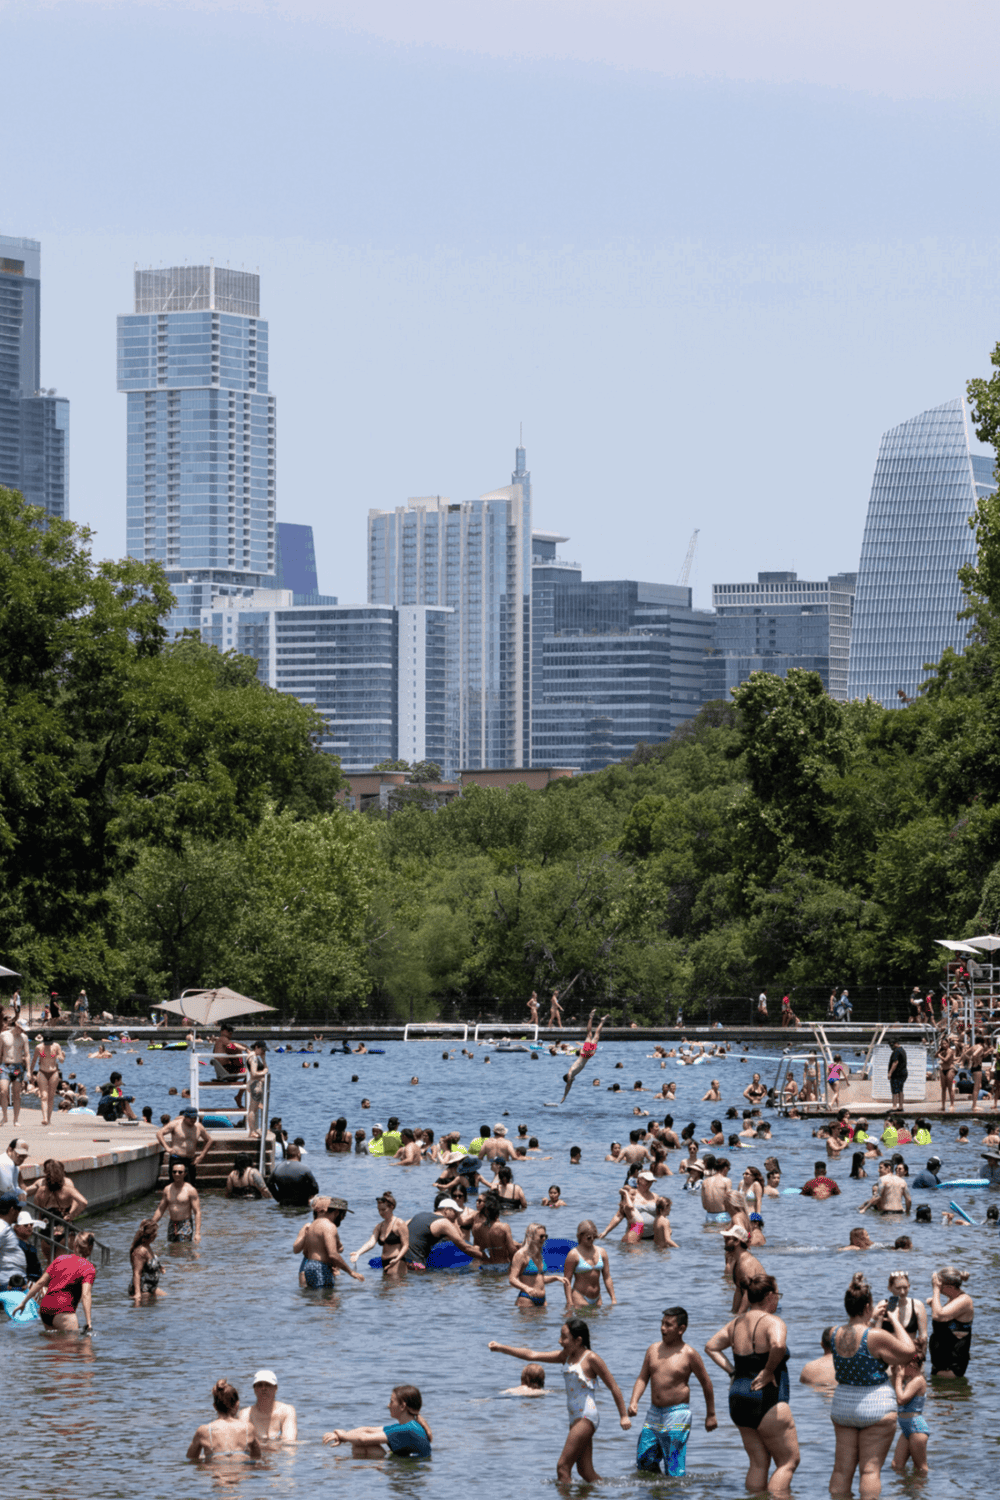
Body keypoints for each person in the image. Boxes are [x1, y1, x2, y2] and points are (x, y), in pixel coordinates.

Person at [488, 1319, 631, 1483]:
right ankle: (609, 1493)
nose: (559, 1341)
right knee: (585, 1471)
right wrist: (501, 1348)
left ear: (578, 1341)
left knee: (562, 1467)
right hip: (574, 1418)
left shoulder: (591, 1358)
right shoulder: (565, 1357)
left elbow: (614, 1386)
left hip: (586, 1416)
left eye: (564, 1337)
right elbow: (532, 1354)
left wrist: (623, 1416)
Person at [705, 1273, 800, 1496]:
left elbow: (711, 1346)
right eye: (777, 1295)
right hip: (767, 1398)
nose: (778, 1300)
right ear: (769, 1296)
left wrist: (732, 1372)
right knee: (789, 1461)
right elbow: (777, 1345)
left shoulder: (736, 1322)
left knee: (758, 1463)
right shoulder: (774, 1322)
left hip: (738, 1396)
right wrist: (768, 1371)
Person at [828, 1272, 915, 1500]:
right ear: (868, 1306)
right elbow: (908, 1352)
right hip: (875, 1406)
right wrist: (894, 1318)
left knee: (841, 1469)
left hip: (843, 1405)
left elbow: (860, 1341)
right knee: (870, 1470)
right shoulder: (874, 1335)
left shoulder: (833, 1333)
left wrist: (871, 1318)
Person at [630, 1306, 717, 1476]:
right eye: (662, 1323)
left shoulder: (689, 1354)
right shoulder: (653, 1350)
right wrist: (634, 1401)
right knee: (644, 1460)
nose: (663, 1328)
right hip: (654, 1413)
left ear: (681, 1329)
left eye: (668, 1325)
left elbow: (706, 1383)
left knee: (674, 1466)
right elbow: (642, 1378)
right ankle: (658, 1491)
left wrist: (711, 1414)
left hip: (677, 1413)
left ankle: (675, 1492)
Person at [13, 1231, 98, 1332]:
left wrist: (23, 1302)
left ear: (74, 1245)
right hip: (63, 1311)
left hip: (45, 1310)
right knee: (77, 1345)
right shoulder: (88, 1268)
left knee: (53, 1344)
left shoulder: (60, 1259)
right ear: (91, 1247)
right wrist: (89, 1323)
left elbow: (40, 1282)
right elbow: (86, 1295)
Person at [324, 1384, 432, 1458]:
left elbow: (363, 1439)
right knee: (362, 1446)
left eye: (391, 1401)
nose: (388, 1405)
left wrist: (342, 1436)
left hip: (411, 1471)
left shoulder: (407, 1429)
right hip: (406, 1465)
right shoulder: (407, 1426)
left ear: (402, 1406)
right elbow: (366, 1430)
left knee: (363, 1445)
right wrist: (344, 1436)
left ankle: (351, 1470)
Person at [294, 1196, 364, 1286]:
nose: (343, 1218)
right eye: (344, 1215)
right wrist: (351, 1272)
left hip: (309, 1266)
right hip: (320, 1267)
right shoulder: (329, 1226)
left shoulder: (312, 1225)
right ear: (337, 1212)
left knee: (315, 1297)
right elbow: (333, 1254)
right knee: (326, 1299)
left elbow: (306, 1253)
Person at [187, 1379, 262, 1462]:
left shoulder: (203, 1430)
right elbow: (257, 1457)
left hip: (216, 1472)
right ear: (237, 1405)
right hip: (241, 1472)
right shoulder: (248, 1428)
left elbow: (191, 1458)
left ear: (214, 1406)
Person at [403, 1199, 484, 1269]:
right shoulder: (444, 1222)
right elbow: (465, 1247)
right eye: (455, 1212)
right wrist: (485, 1257)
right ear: (446, 1210)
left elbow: (404, 1227)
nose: (457, 1216)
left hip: (402, 1261)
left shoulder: (420, 1215)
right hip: (416, 1264)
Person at [509, 1222, 567, 1308]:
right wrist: (526, 1288)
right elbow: (512, 1279)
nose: (544, 1239)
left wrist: (556, 1278)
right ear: (531, 1236)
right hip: (527, 1299)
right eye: (541, 1236)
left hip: (543, 1300)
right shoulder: (521, 1254)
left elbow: (538, 1278)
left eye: (545, 1236)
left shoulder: (539, 1254)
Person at [928, 1266, 973, 1378]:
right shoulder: (953, 1298)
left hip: (952, 1368)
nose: (938, 1288)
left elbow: (938, 1315)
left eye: (940, 1286)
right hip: (942, 1366)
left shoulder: (964, 1300)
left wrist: (936, 1290)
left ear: (949, 1287)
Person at [351, 1192, 410, 1276]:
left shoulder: (399, 1223)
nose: (380, 1213)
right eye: (378, 1210)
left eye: (383, 1210)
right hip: (384, 1262)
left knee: (395, 1286)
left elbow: (406, 1245)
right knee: (384, 1287)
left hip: (397, 1261)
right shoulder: (379, 1226)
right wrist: (358, 1253)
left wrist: (397, 1259)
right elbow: (371, 1243)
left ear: (392, 1207)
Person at [891, 1345, 929, 1475]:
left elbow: (901, 1400)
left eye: (903, 1365)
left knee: (920, 1468)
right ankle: (904, 1492)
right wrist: (895, 1375)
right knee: (896, 1465)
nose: (901, 1369)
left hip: (916, 1428)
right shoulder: (911, 1381)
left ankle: (922, 1493)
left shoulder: (918, 1380)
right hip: (907, 1428)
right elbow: (894, 1391)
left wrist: (899, 1378)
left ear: (912, 1365)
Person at [562, 1220, 617, 1309]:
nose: (592, 1240)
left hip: (597, 1298)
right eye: (588, 1238)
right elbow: (567, 1280)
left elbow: (607, 1277)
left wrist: (613, 1298)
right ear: (580, 1236)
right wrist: (569, 1301)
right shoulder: (573, 1254)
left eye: (594, 1237)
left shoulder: (602, 1252)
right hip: (579, 1297)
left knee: (598, 1322)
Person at [558, 1011, 609, 1101]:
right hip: (588, 1055)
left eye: (569, 1081)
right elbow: (569, 1086)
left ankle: (591, 1017)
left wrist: (564, 1096)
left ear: (568, 1078)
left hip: (585, 1053)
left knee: (590, 1034)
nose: (571, 1082)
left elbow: (568, 1086)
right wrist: (565, 1096)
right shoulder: (573, 1075)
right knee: (596, 1036)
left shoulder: (571, 1072)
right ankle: (602, 1021)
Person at [156, 1108, 212, 1185]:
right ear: (185, 1117)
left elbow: (209, 1140)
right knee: (175, 1186)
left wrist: (201, 1156)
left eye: (195, 1118)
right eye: (190, 1118)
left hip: (190, 1161)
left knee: (190, 1186)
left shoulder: (199, 1127)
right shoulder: (175, 1124)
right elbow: (159, 1133)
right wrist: (167, 1148)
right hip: (176, 1159)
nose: (193, 1120)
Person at [241, 1370, 298, 1446]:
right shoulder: (246, 1414)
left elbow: (290, 1442)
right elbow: (242, 1444)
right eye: (259, 1385)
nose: (263, 1388)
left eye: (268, 1385)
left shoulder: (287, 1411)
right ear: (254, 1389)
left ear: (275, 1388)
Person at [152, 1162, 202, 1243]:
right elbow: (160, 1210)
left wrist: (197, 1233)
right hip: (172, 1223)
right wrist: (151, 1224)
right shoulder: (167, 1189)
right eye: (174, 1172)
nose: (177, 1174)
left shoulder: (190, 1190)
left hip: (185, 1224)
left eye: (180, 1172)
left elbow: (197, 1212)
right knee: (172, 1249)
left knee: (184, 1248)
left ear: (185, 1174)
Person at [470, 1192, 519, 1264]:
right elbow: (512, 1250)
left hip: (486, 1267)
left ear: (485, 1211)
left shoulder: (476, 1228)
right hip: (502, 1266)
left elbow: (476, 1250)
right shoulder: (504, 1227)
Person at [28, 1032, 64, 1126]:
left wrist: (59, 1056)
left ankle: (49, 1118)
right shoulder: (39, 1047)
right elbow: (34, 1060)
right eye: (46, 1043)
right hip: (42, 1072)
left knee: (51, 1096)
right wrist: (30, 1072)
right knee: (44, 1096)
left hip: (53, 1072)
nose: (48, 1045)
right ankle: (44, 1118)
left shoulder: (56, 1046)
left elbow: (62, 1060)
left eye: (49, 1043)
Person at [0, 1014, 30, 1125]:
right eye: (21, 1028)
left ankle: (16, 1119)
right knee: (3, 1091)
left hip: (17, 1067)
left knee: (16, 1093)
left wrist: (29, 1071)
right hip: (5, 1066)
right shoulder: (3, 1035)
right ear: (16, 1026)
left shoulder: (24, 1038)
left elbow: (27, 1055)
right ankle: (4, 1117)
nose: (22, 1031)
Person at [884, 1269, 926, 1343]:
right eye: (898, 1288)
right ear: (889, 1288)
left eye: (905, 1288)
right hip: (890, 1353)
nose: (902, 1292)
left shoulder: (918, 1305)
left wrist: (920, 1354)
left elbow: (923, 1336)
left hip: (910, 1353)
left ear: (909, 1286)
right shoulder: (884, 1306)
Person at [127, 1219, 165, 1300]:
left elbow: (151, 1262)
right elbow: (137, 1273)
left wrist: (160, 1267)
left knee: (168, 1298)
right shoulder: (140, 1251)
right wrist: (137, 1294)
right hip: (143, 1289)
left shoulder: (147, 1246)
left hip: (151, 1287)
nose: (157, 1235)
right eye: (155, 1233)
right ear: (151, 1235)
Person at [244, 1041, 268, 1138]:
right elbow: (253, 1073)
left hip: (256, 1085)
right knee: (252, 1110)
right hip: (256, 1085)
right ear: (257, 1047)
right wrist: (264, 1072)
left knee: (253, 1109)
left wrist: (263, 1059)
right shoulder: (253, 1057)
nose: (263, 1051)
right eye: (262, 1049)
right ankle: (252, 1131)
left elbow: (265, 1068)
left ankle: (253, 1130)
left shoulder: (256, 1057)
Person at [887, 1040, 908, 1112]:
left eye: (891, 1045)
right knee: (900, 1090)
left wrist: (890, 1073)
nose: (891, 1047)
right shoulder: (902, 1050)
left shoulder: (896, 1051)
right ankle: (901, 1106)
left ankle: (894, 1106)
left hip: (897, 1074)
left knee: (895, 1090)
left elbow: (895, 1062)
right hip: (903, 1073)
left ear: (896, 1043)